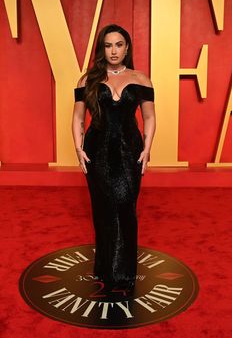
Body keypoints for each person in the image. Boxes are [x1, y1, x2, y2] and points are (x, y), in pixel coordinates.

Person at [72, 24, 156, 290]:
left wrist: (147, 148)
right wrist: (78, 148)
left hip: (131, 151)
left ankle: (125, 272)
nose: (114, 51)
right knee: (104, 209)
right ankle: (106, 269)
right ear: (102, 49)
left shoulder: (141, 79)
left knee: (126, 208)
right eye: (108, 45)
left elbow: (150, 117)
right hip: (97, 152)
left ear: (127, 47)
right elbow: (77, 117)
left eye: (119, 44)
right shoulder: (88, 80)